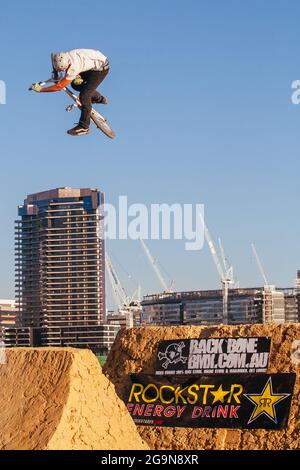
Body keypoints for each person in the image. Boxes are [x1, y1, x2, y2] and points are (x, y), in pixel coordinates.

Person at [31, 48, 110, 136]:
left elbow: (59, 86)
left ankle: (84, 127)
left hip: (101, 69)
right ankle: (99, 98)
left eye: (63, 70)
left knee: (84, 96)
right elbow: (61, 63)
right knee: (75, 85)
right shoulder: (67, 56)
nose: (64, 72)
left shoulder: (73, 68)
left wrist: (41, 90)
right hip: (93, 63)